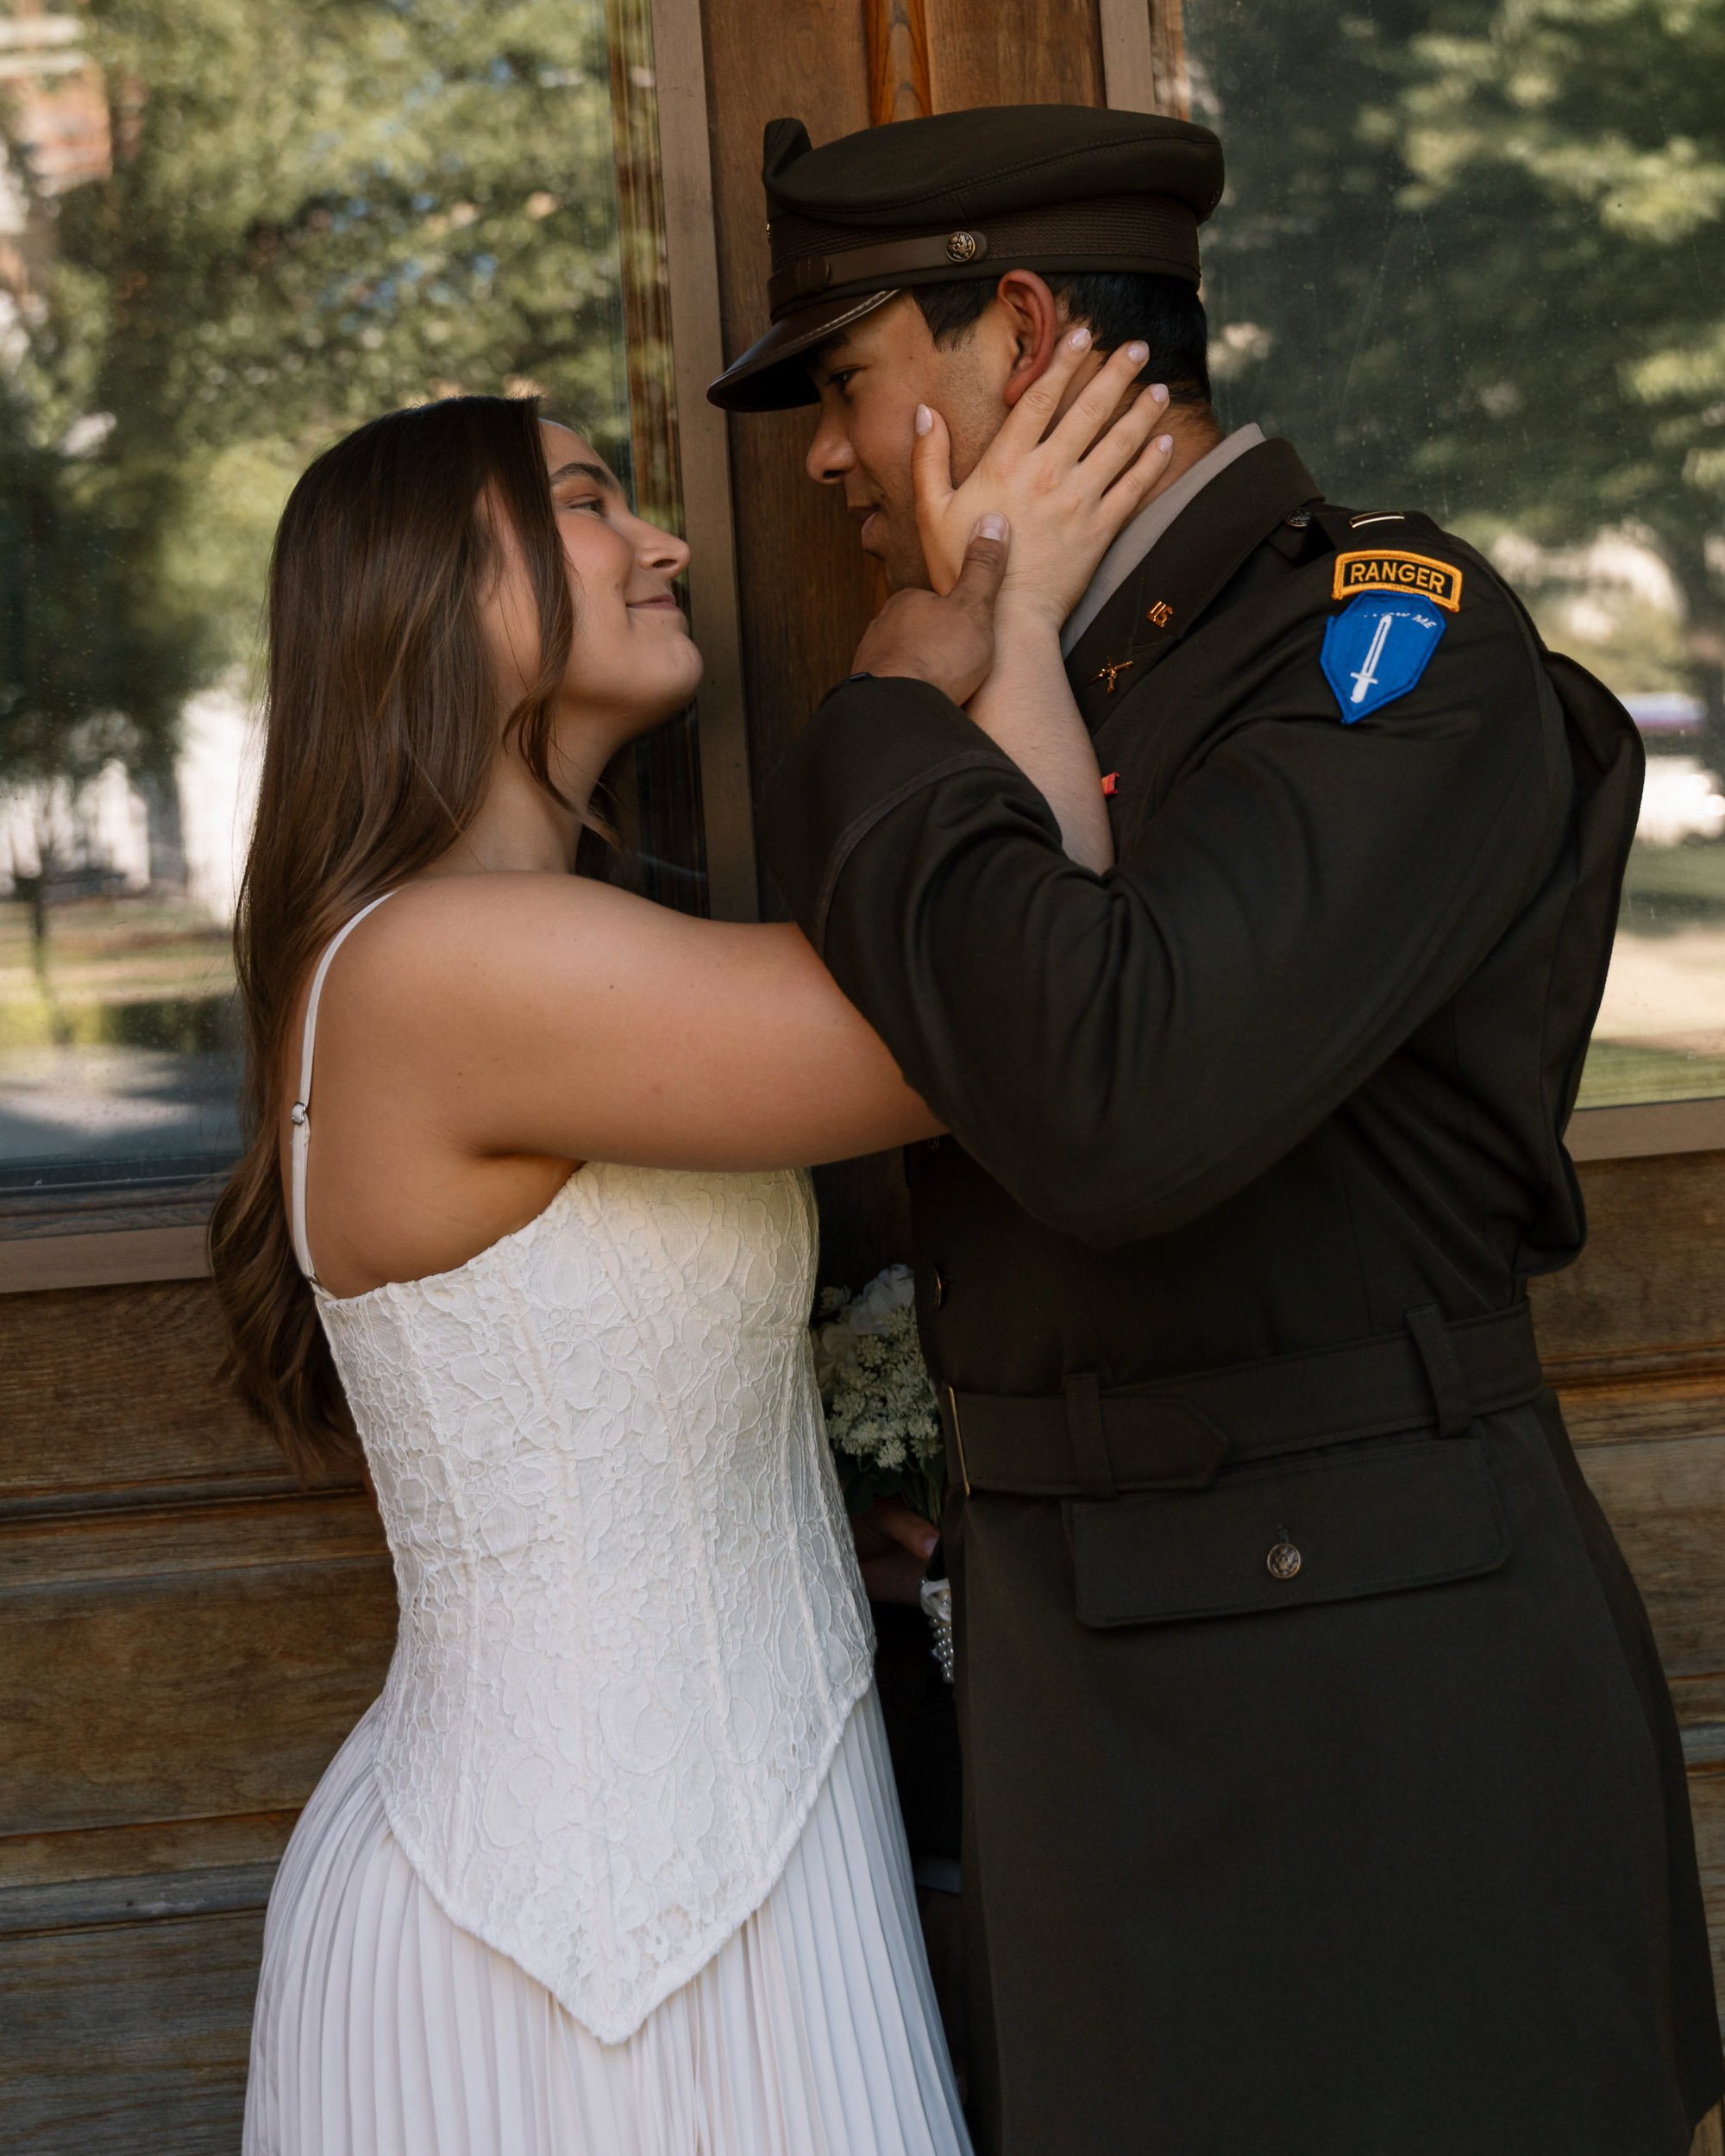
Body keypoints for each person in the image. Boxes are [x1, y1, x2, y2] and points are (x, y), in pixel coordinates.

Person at [709, 103, 1725, 2156]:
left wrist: (897, 711)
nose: (822, 455)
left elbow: (1117, 1100)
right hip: (1093, 1724)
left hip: (1373, 1749)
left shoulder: (1387, 638)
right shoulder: (1069, 672)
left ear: (1015, 327)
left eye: (845, 379)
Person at [211, 372, 1173, 2155]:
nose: (662, 541)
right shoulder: (442, 961)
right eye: (588, 498)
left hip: (770, 1873)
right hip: (570, 1954)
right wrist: (971, 636)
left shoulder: (532, 941)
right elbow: (1016, 1014)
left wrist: (809, 1534)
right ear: (429, 586)